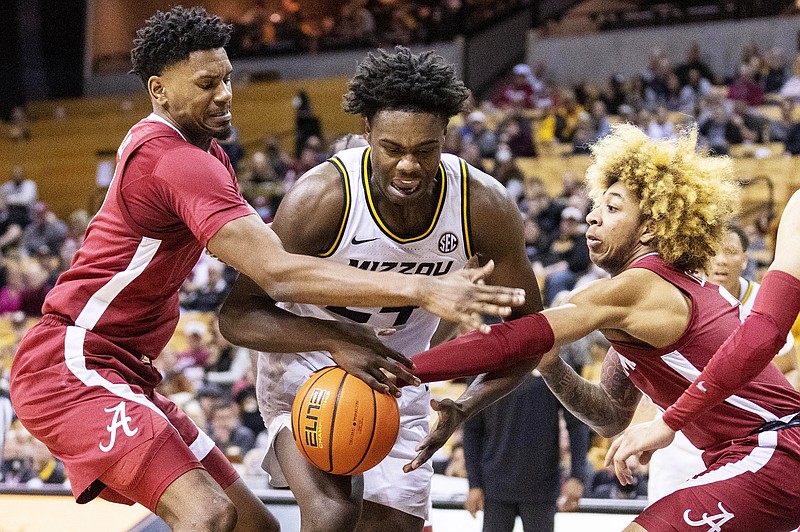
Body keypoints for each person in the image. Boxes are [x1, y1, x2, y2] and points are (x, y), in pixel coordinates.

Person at [7, 8, 524, 532]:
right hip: (73, 363)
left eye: (227, 78)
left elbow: (528, 328)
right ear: (159, 89)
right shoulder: (178, 161)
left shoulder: (201, 153)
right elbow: (274, 274)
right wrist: (421, 287)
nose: (225, 93)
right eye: (207, 83)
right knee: (208, 516)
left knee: (255, 527)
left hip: (129, 370)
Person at [402, 124, 800, 531]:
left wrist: (402, 369)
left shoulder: (638, 286)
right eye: (596, 206)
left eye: (611, 209)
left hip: (774, 447)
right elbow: (610, 417)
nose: (592, 216)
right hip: (746, 454)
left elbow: (515, 338)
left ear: (649, 227)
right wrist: (553, 365)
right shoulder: (639, 312)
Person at [218, 46, 543, 532]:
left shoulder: (483, 207)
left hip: (400, 381)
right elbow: (236, 315)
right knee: (333, 514)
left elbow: (529, 335)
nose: (408, 165)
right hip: (311, 369)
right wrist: (334, 339)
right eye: (392, 148)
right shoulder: (322, 199)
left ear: (446, 136)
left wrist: (468, 404)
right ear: (366, 131)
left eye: (425, 150)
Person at [648, 223, 796, 502]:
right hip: (681, 439)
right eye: (714, 252)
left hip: (748, 437)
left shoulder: (767, 299)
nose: (721, 260)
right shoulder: (677, 297)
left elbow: (790, 369)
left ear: (745, 258)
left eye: (730, 252)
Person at [462, 370, 589, 532]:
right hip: (494, 486)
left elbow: (577, 422)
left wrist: (578, 476)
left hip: (541, 486)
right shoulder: (483, 370)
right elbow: (472, 430)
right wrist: (474, 483)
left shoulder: (551, 364)